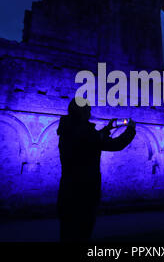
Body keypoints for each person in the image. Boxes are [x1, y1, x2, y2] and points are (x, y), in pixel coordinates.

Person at [56, 98, 136, 242]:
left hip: (67, 192)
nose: (90, 113)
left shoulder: (67, 129)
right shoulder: (85, 132)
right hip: (84, 194)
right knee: (81, 235)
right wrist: (130, 129)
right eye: (88, 110)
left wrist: (107, 129)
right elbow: (115, 144)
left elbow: (93, 141)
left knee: (67, 235)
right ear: (81, 111)